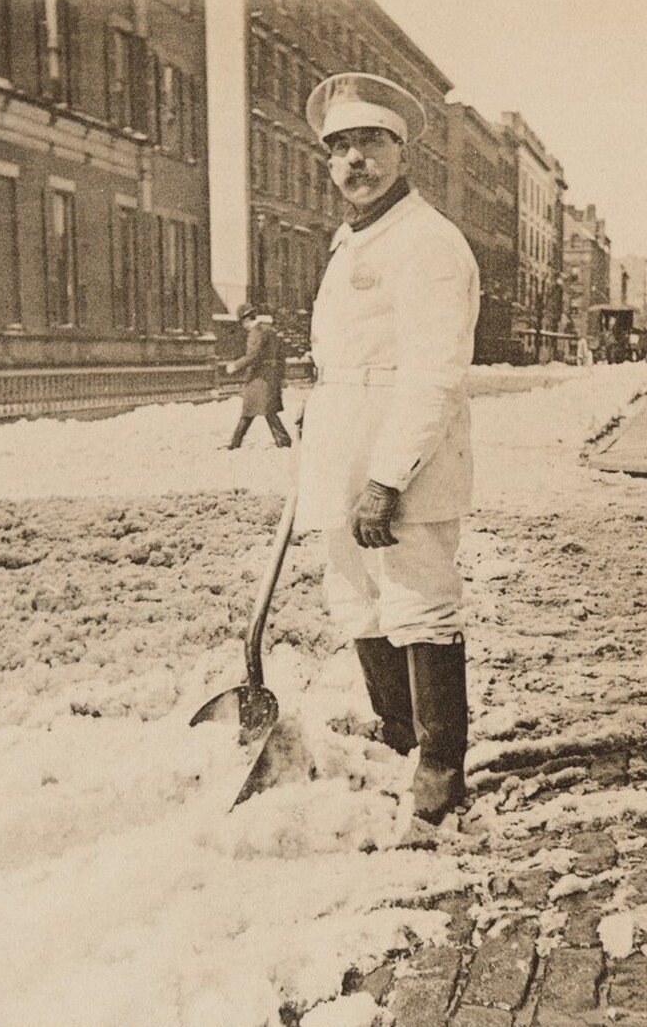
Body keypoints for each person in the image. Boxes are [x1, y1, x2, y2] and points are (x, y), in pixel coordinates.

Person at [296, 72, 480, 824]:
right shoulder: (350, 242)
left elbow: (435, 373)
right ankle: (399, 736)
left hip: (403, 460)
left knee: (418, 601)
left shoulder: (430, 241)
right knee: (356, 599)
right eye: (339, 147)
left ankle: (440, 765)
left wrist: (387, 478)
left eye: (369, 142)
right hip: (341, 446)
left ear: (401, 153)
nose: (353, 161)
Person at [224, 303, 291, 449]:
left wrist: (235, 365)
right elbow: (281, 355)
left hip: (259, 378)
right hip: (269, 378)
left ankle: (235, 444)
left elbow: (253, 356)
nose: (243, 326)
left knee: (251, 410)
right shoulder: (269, 330)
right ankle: (283, 441)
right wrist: (281, 376)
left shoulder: (256, 332)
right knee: (267, 411)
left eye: (242, 322)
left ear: (247, 319)